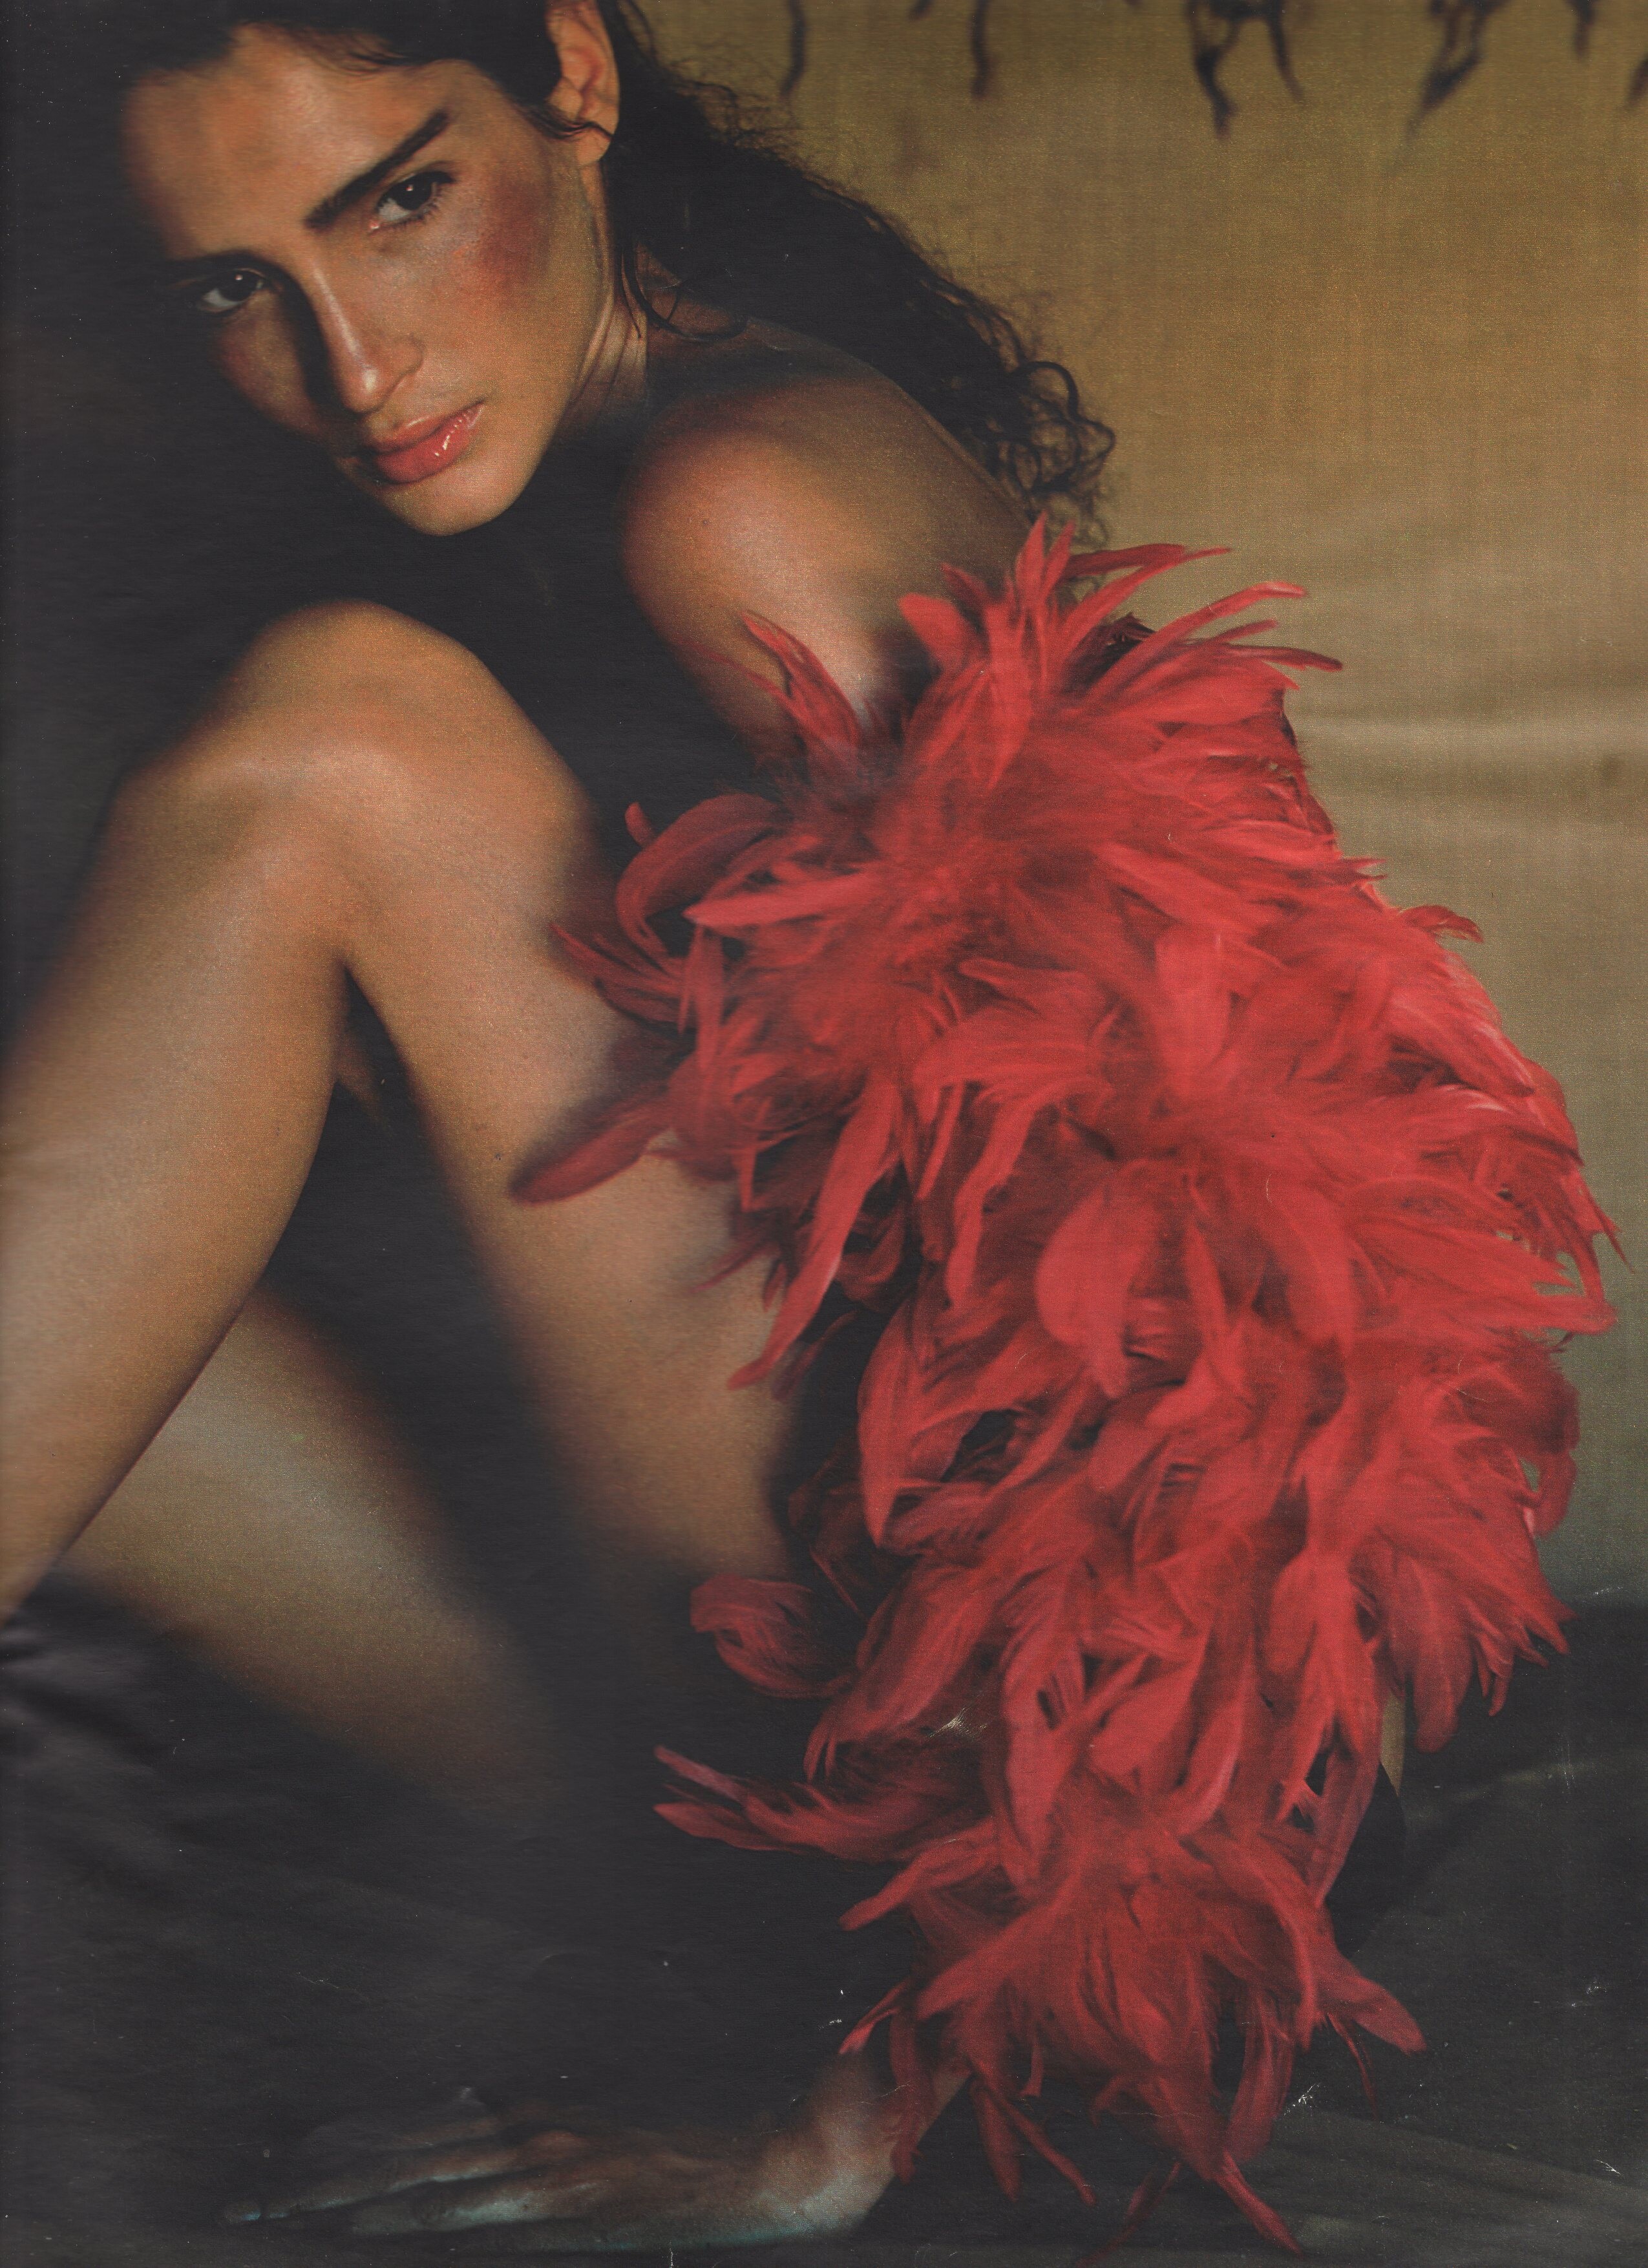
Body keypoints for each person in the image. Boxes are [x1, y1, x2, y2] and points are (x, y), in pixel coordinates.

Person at [0, 0, 1609, 2251]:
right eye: (235, 289)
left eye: (398, 202)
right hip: (741, 1737)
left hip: (1075, 1802)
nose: (355, 364)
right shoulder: (544, 472)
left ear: (573, 78)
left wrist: (869, 2097)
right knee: (120, 1313)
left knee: (333, 743)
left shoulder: (743, 496)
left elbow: (1192, 1336)